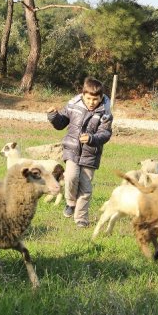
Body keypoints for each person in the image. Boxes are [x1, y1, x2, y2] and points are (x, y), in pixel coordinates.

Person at [47, 77, 113, 228]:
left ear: (101, 97)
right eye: (88, 98)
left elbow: (105, 134)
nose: (91, 102)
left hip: (91, 154)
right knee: (70, 176)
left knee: (85, 188)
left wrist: (91, 138)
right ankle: (70, 202)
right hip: (72, 150)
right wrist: (53, 116)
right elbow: (61, 123)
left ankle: (81, 219)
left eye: (95, 99)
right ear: (83, 95)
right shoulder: (73, 105)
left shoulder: (106, 113)